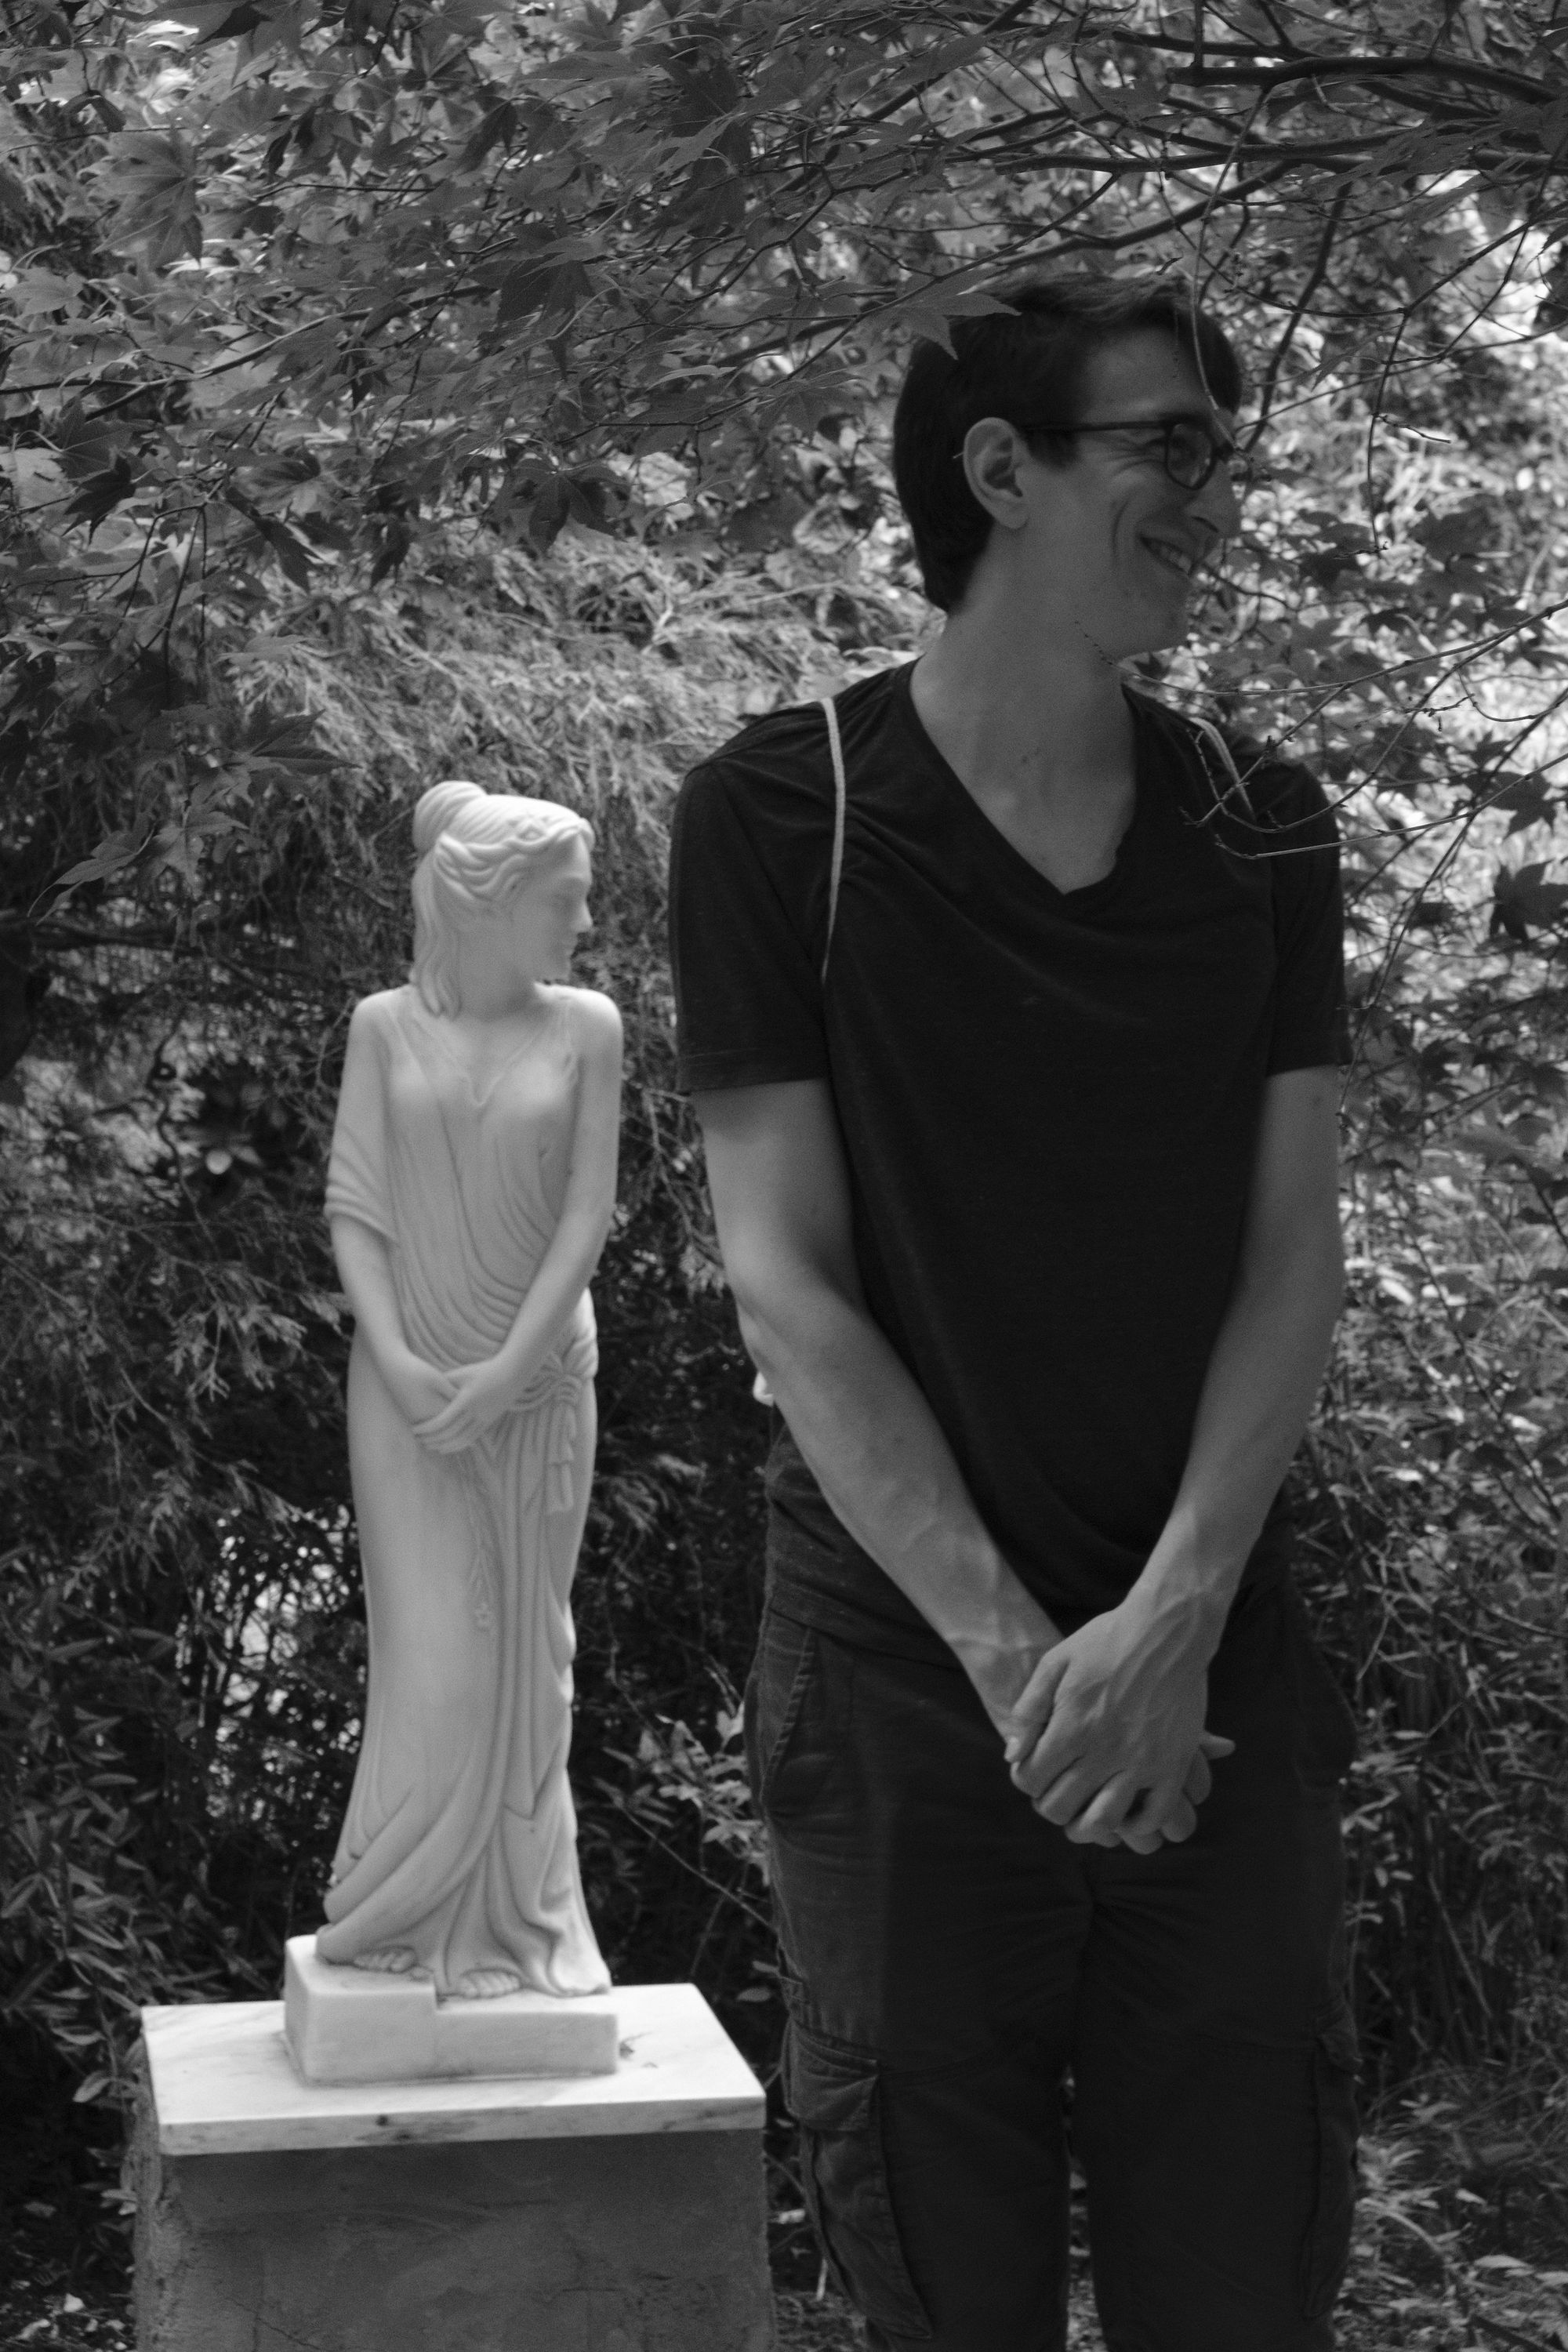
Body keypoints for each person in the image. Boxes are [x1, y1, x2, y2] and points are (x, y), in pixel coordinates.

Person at [668, 275, 1359, 2352]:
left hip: (1214, 1661)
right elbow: (786, 1285)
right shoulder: (787, 816)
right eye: (1170, 447)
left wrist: (1164, 1626)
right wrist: (1018, 1663)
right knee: (941, 2289)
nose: (1212, 495)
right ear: (1002, 469)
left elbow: (1292, 1250)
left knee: (1241, 2272)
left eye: (1222, 454)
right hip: (903, 1682)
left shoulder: (1262, 818)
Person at [321, 781, 621, 2000]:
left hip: (540, 1385)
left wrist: (505, 1375)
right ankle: (398, 1921)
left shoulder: (588, 1026)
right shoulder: (384, 1027)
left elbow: (586, 1218)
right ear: (493, 904)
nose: (585, 925)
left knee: (530, 1661)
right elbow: (355, 1209)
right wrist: (400, 1363)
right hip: (407, 1394)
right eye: (568, 900)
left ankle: (514, 1925)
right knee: (436, 1661)